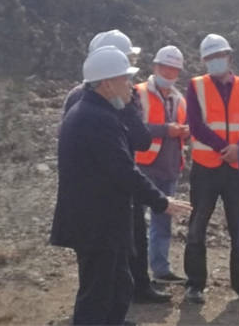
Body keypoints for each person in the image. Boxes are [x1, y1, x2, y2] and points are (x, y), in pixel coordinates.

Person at [51, 45, 190, 325]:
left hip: (103, 220)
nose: (130, 86)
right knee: (97, 294)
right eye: (124, 80)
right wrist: (161, 201)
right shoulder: (96, 119)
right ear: (106, 84)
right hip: (96, 223)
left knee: (118, 285)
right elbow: (123, 171)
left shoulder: (97, 112)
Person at [62, 30, 169, 303]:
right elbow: (131, 147)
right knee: (102, 265)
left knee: (120, 257)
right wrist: (161, 201)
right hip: (103, 195)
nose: (130, 81)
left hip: (113, 190)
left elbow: (139, 141)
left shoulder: (99, 99)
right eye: (127, 65)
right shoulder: (93, 106)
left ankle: (127, 297)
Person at [184, 33, 239, 304]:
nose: (215, 61)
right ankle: (195, 284)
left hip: (235, 169)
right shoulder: (196, 85)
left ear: (229, 56)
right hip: (206, 168)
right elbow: (195, 125)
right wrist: (225, 148)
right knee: (197, 227)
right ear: (204, 60)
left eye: (219, 56)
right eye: (210, 58)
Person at [133, 45, 191, 287]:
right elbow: (134, 128)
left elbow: (184, 130)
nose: (169, 73)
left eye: (174, 69)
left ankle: (160, 269)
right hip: (143, 167)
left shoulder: (180, 99)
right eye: (165, 68)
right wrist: (166, 130)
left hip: (169, 167)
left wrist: (184, 132)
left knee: (163, 222)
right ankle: (136, 273)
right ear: (155, 67)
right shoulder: (138, 93)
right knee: (135, 223)